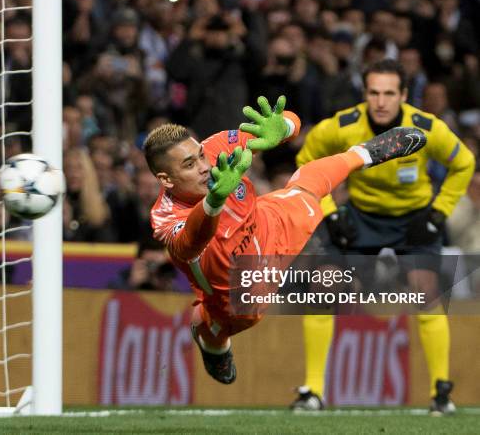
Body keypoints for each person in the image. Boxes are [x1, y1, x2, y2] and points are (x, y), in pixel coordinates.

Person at [144, 93, 427, 386]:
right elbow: (191, 240)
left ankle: (366, 153)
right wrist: (214, 201)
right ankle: (210, 338)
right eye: (190, 165)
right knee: (215, 325)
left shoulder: (217, 150)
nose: (204, 166)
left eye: (201, 155)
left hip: (268, 224)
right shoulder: (165, 218)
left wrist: (284, 128)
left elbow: (291, 120)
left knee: (306, 184)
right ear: (166, 179)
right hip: (239, 285)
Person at [294, 59, 475, 415]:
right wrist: (331, 213)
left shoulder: (426, 128)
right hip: (360, 217)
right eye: (374, 92)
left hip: (415, 219)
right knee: (323, 287)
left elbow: (464, 162)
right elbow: (307, 160)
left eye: (389, 93)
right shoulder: (343, 126)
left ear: (404, 95)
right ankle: (312, 391)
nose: (381, 101)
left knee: (426, 292)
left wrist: (439, 213)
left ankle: (441, 393)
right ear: (364, 94)